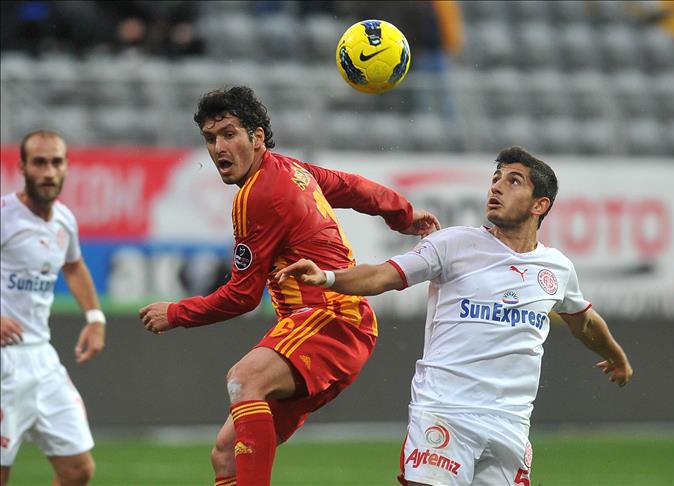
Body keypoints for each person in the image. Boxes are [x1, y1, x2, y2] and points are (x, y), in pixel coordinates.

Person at [276, 146, 633, 486]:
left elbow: (584, 320)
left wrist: (616, 357)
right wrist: (328, 277)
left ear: (540, 204)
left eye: (513, 181)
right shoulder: (452, 244)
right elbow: (382, 275)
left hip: (511, 423)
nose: (497, 187)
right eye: (496, 178)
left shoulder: (557, 268)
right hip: (446, 412)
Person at [138, 86, 440, 486]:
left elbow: (243, 296)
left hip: (331, 319)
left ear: (257, 137)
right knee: (227, 455)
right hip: (334, 326)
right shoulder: (289, 170)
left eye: (229, 134)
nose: (218, 148)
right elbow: (350, 186)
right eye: (210, 138)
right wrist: (402, 213)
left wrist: (176, 313)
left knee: (245, 379)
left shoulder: (258, 195)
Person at [1, 130, 106, 486]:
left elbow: (73, 266)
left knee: (78, 470)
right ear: (22, 167)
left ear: (66, 167)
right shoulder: (5, 215)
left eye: (56, 162)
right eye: (39, 162)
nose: (48, 172)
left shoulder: (64, 219)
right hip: (3, 361)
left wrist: (95, 318)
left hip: (42, 359)